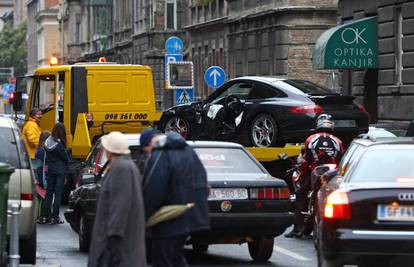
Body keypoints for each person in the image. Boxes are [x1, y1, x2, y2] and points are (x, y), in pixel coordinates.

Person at [143, 132, 210, 267]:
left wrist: (144, 217)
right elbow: (202, 181)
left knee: (164, 259)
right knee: (176, 257)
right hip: (189, 215)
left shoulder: (160, 155)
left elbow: (154, 190)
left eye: (146, 150)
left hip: (168, 219)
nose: (148, 154)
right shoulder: (188, 151)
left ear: (149, 144)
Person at [88, 131, 146, 267]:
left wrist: (112, 244)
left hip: (120, 250)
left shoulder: (121, 168)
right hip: (124, 248)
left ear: (109, 150)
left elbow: (120, 206)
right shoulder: (127, 166)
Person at [285, 114, 344, 238]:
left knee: (300, 194)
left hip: (315, 173)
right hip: (332, 175)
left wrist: (302, 176)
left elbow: (306, 160)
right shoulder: (338, 141)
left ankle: (297, 229)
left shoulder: (311, 139)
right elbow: (340, 160)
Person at [39, 123, 69, 224]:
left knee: (48, 193)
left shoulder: (48, 142)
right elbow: (64, 157)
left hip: (50, 170)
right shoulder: (60, 143)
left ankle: (44, 216)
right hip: (60, 170)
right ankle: (55, 217)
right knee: (58, 194)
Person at [35, 131, 51, 221]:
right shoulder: (46, 151)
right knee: (45, 196)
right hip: (45, 176)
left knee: (37, 197)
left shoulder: (37, 151)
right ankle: (44, 215)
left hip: (38, 176)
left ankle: (37, 215)